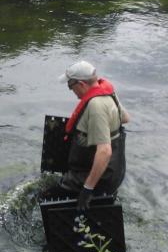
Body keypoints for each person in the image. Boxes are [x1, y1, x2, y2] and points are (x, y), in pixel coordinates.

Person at [42, 60, 129, 210]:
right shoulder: (108, 92)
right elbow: (125, 118)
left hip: (99, 176)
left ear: (81, 84)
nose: (70, 90)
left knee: (44, 197)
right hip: (116, 172)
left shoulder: (96, 106)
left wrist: (87, 189)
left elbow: (105, 151)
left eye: (70, 86)